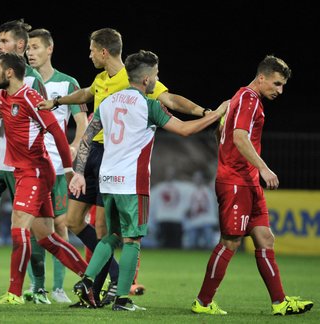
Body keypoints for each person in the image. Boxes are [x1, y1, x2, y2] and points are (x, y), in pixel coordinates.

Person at [38, 28, 224, 307]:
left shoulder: (110, 101)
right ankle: (122, 296)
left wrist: (75, 168)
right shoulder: (145, 103)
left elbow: (88, 135)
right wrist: (216, 113)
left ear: (104, 51)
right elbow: (182, 127)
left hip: (106, 171)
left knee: (107, 234)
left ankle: (91, 283)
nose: (89, 54)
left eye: (91, 49)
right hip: (129, 179)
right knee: (130, 238)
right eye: (157, 76)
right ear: (147, 78)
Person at [191, 55, 314, 316]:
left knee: (265, 238)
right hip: (237, 182)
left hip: (247, 181)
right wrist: (263, 168)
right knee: (230, 242)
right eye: (277, 84)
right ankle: (202, 303)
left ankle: (280, 302)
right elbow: (238, 137)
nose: (280, 90)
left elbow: (222, 132)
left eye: (283, 86)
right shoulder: (248, 98)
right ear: (262, 78)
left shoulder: (239, 97)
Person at [0, 52, 91, 306]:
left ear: (10, 73)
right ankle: (89, 277)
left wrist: (70, 170)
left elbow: (58, 134)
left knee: (19, 230)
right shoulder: (3, 97)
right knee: (47, 237)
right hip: (26, 172)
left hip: (35, 171)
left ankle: (14, 293)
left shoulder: (29, 97)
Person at [0, 19, 48, 304]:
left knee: (32, 228)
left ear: (19, 45)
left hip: (22, 166)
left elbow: (43, 121)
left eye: (3, 41)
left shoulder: (32, 81)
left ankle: (37, 285)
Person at [25, 28, 89, 304]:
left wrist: (74, 147)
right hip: (32, 167)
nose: (30, 52)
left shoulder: (67, 84)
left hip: (58, 167)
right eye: (27, 48)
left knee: (61, 225)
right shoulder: (23, 82)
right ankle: (37, 287)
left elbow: (83, 123)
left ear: (49, 49)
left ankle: (59, 287)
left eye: (35, 47)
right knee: (32, 227)